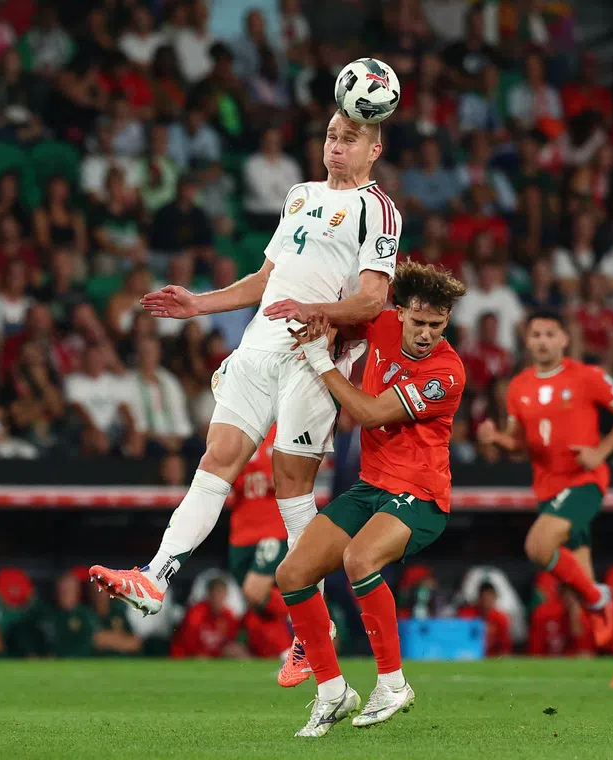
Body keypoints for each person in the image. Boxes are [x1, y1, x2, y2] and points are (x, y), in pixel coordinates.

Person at [90, 111, 399, 671]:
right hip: (258, 347)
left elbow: (374, 300)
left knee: (290, 487)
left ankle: (314, 628)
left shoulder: (377, 208)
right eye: (331, 136)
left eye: (349, 139)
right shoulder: (299, 195)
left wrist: (315, 310)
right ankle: (155, 577)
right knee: (217, 458)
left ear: (372, 150)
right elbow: (265, 281)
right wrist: (199, 304)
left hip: (312, 354)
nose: (335, 146)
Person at [275, 261, 466, 737]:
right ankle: (331, 691)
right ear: (400, 313)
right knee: (292, 573)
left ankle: (393, 683)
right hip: (372, 485)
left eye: (436, 325)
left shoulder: (446, 373)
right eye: (418, 322)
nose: (426, 334)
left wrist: (320, 360)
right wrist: (307, 313)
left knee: (359, 558)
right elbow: (338, 315)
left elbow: (368, 412)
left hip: (420, 495)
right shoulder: (380, 324)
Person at [478, 309, 613, 687]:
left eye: (550, 334)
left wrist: (601, 452)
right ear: (527, 340)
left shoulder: (587, 377)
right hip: (548, 489)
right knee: (581, 588)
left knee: (538, 546)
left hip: (584, 481)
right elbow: (520, 446)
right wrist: (497, 440)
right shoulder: (517, 387)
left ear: (564, 340)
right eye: (536, 334)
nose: (542, 341)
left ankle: (599, 598)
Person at [226, 426, 300, 672]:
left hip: (272, 528)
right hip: (240, 533)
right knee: (257, 603)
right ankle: (287, 654)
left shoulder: (284, 428)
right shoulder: (235, 431)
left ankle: (309, 616)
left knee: (255, 592)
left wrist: (284, 477)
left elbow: (307, 466)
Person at [457, 583, 513, 656]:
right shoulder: (467, 615)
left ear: (495, 598)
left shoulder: (501, 618)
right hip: (470, 656)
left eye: (490, 598)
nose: (486, 602)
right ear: (479, 598)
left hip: (492, 658)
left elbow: (505, 647)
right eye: (484, 598)